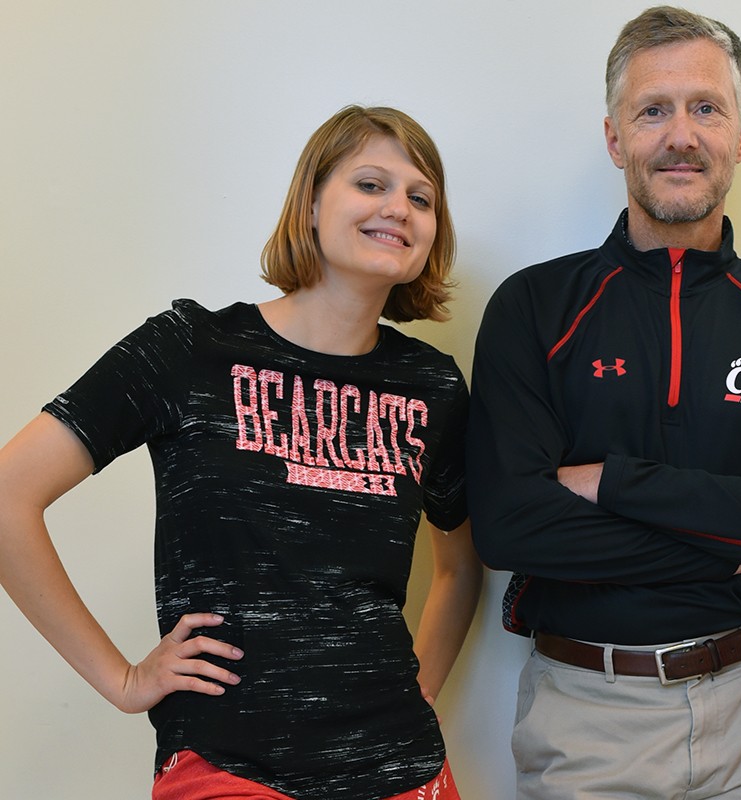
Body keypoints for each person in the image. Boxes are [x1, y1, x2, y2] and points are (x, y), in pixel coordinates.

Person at [0, 105, 481, 800]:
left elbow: (460, 567)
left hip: (403, 767)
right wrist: (123, 681)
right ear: (311, 203)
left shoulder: (433, 386)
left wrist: (422, 688)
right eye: (371, 184)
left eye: (421, 197)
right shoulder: (188, 349)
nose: (399, 208)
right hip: (229, 765)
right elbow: (9, 493)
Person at [467, 6, 741, 798]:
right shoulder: (534, 307)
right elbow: (512, 526)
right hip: (589, 719)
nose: (681, 135)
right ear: (615, 138)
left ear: (740, 136)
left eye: (705, 108)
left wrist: (612, 483)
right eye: (653, 110)